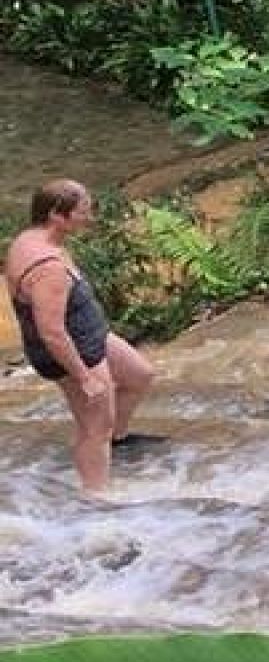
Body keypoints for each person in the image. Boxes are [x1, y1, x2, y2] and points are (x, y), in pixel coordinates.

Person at [4, 180, 159, 494]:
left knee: (140, 375)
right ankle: (95, 501)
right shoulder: (47, 268)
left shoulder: (32, 237)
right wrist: (84, 376)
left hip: (90, 336)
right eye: (83, 212)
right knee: (94, 428)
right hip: (74, 352)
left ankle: (117, 442)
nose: (90, 217)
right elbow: (52, 333)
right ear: (57, 216)